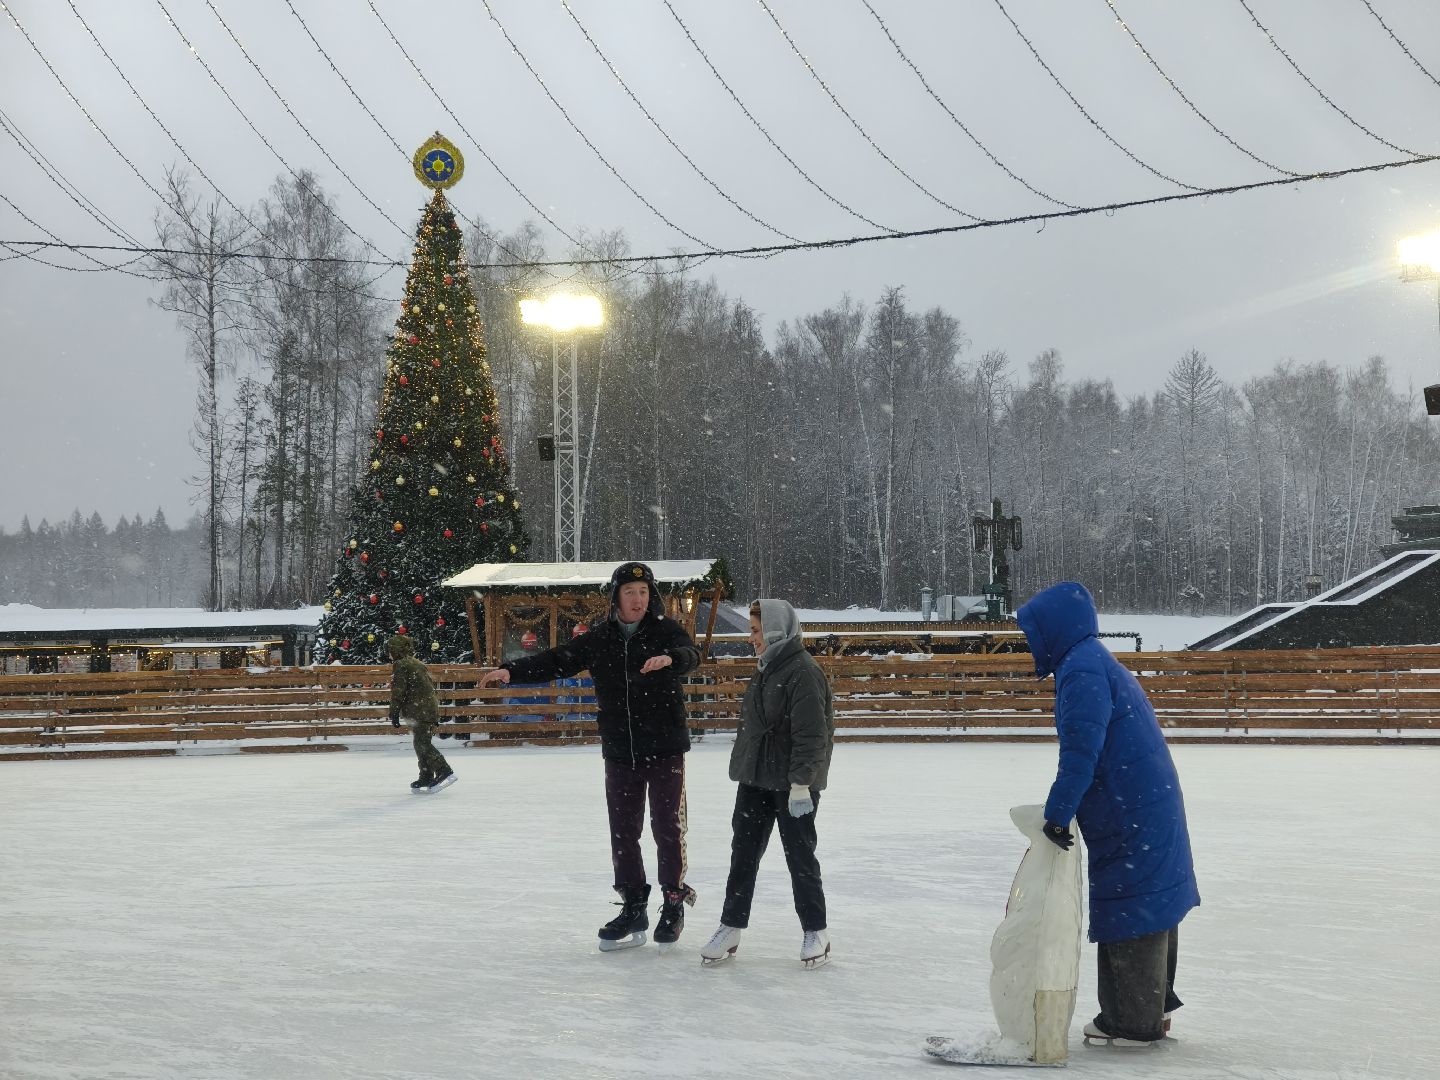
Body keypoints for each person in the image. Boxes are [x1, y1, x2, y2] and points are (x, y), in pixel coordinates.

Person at [479, 561, 701, 951]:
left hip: (665, 748)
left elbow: (691, 654)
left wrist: (672, 659)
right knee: (623, 832)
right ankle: (634, 904)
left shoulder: (665, 631)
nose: (638, 600)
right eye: (630, 592)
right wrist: (510, 672)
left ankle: (673, 901)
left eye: (644, 593)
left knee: (668, 828)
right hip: (619, 750)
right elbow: (556, 660)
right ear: (616, 597)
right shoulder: (600, 639)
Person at [1015, 581, 1199, 1046]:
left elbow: (1081, 752)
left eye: (1033, 633)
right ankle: (1150, 1006)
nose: (1030, 643)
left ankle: (1133, 1021)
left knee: (1133, 904)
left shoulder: (1081, 670)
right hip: (1142, 803)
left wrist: (1057, 815)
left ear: (1053, 630)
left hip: (1129, 809)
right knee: (1149, 899)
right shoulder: (1091, 660)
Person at [700, 599, 835, 969]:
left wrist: (801, 784)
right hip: (756, 779)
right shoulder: (767, 667)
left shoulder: (803, 672)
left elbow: (812, 735)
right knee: (742, 855)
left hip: (792, 785)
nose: (751, 638)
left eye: (756, 630)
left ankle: (816, 930)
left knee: (800, 858)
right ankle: (731, 926)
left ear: (776, 630)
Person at [388, 633, 454, 793]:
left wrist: (394, 711)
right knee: (420, 742)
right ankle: (426, 775)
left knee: (422, 743)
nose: (389, 654)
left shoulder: (402, 664)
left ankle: (443, 770)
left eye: (390, 650)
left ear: (396, 650)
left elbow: (399, 690)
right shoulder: (415, 663)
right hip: (425, 709)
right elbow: (427, 687)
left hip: (421, 710)